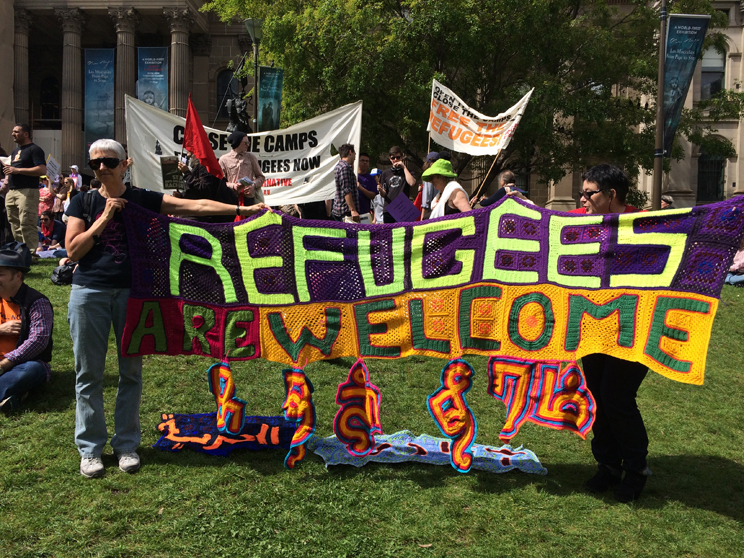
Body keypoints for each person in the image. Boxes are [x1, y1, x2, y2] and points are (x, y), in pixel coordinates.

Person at [66, 138, 266, 479]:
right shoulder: (81, 202)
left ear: (124, 164)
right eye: (94, 163)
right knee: (89, 375)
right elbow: (73, 251)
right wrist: (105, 217)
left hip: (134, 294)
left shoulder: (143, 199)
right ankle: (91, 449)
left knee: (130, 372)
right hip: (89, 292)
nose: (101, 168)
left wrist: (241, 211)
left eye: (108, 162)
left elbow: (194, 207)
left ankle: (126, 444)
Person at [569, 164, 648, 503]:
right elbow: (539, 225)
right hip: (595, 325)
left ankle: (636, 469)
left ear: (611, 195)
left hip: (634, 328)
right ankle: (607, 465)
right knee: (598, 396)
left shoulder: (643, 226)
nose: (582, 199)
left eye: (589, 193)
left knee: (617, 397)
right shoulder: (581, 220)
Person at [0, 244, 54, 414]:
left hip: (20, 364)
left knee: (31, 370)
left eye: (0, 274)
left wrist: (5, 364)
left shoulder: (37, 302)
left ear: (18, 276)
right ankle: (12, 395)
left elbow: (38, 341)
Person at [3, 124, 46, 253]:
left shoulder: (35, 149)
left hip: (27, 191)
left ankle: (31, 253)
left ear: (26, 134)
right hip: (12, 191)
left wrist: (17, 170)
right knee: (14, 223)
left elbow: (42, 169)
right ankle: (21, 251)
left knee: (27, 223)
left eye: (16, 131)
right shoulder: (15, 151)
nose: (13, 134)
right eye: (12, 131)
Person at [218, 131, 266, 206]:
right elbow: (220, 182)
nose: (247, 145)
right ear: (237, 143)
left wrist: (253, 185)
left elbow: (261, 177)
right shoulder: (224, 159)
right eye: (245, 143)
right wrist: (233, 186)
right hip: (231, 199)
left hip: (248, 199)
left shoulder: (251, 157)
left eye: (248, 143)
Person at [378, 146, 417, 223]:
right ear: (390, 159)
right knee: (388, 234)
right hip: (389, 209)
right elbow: (384, 194)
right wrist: (380, 190)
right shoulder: (385, 173)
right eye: (393, 158)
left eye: (398, 157)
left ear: (402, 157)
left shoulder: (408, 171)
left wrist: (404, 167)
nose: (395, 160)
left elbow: (412, 183)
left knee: (402, 234)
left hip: (402, 209)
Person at [331, 143, 360, 223]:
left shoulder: (339, 166)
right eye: (355, 154)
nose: (355, 158)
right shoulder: (345, 168)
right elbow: (346, 190)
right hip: (345, 211)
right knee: (348, 235)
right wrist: (353, 210)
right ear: (350, 152)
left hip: (341, 209)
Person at [356, 152, 378, 224]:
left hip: (365, 214)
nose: (365, 163)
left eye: (367, 161)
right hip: (352, 213)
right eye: (362, 160)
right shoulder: (353, 176)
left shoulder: (371, 179)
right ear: (357, 161)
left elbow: (373, 195)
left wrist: (361, 188)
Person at [420, 152, 440, 219]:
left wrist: (421, 222)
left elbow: (426, 201)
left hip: (431, 214)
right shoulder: (443, 175)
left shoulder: (429, 176)